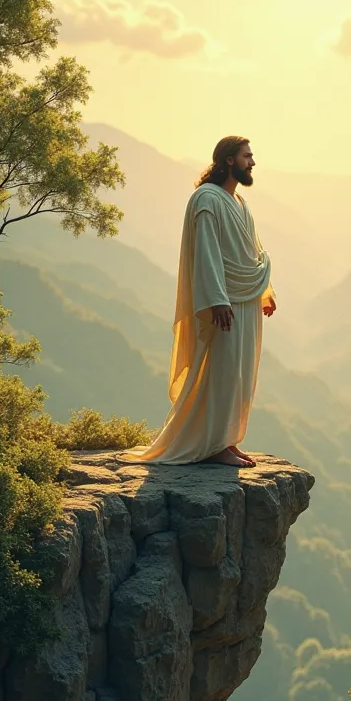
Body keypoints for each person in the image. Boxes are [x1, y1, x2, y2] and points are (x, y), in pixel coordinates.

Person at [125, 135, 277, 468]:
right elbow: (206, 253)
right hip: (226, 302)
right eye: (247, 156)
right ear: (228, 161)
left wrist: (264, 290)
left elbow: (251, 248)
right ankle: (213, 445)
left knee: (240, 373)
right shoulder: (206, 199)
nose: (252, 162)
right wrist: (217, 299)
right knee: (222, 372)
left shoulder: (239, 202)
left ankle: (227, 438)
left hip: (246, 300)